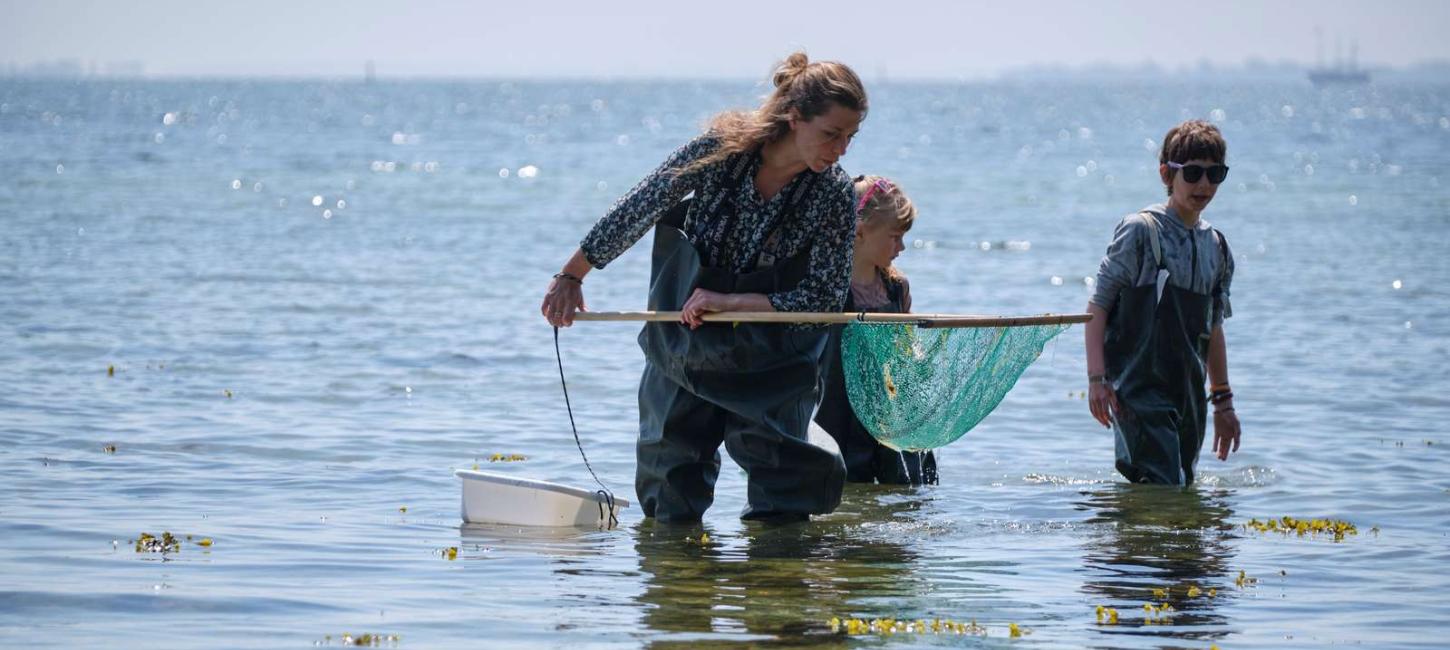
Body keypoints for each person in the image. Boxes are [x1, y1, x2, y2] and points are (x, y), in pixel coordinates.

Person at [540, 52, 867, 522]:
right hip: (684, 346)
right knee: (670, 495)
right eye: (831, 134)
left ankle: (780, 590)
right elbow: (642, 204)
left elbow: (823, 301)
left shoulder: (833, 193)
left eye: (850, 138)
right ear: (794, 117)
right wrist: (572, 275)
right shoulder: (721, 149)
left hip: (774, 359)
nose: (840, 150)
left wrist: (733, 302)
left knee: (786, 502)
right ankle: (681, 590)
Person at [1084, 119, 1242, 485]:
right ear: (1166, 173)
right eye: (1193, 173)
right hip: (1138, 393)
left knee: (1179, 493)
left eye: (1215, 174)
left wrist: (1223, 401)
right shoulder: (1142, 231)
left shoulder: (1216, 247)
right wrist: (1096, 379)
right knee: (1163, 491)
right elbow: (1098, 307)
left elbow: (1213, 327)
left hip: (1188, 398)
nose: (1204, 184)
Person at [812, 175, 937, 485]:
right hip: (839, 417)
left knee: (900, 499)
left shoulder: (896, 288)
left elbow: (907, 348)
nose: (902, 246)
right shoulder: (829, 292)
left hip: (892, 418)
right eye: (894, 236)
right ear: (859, 231)